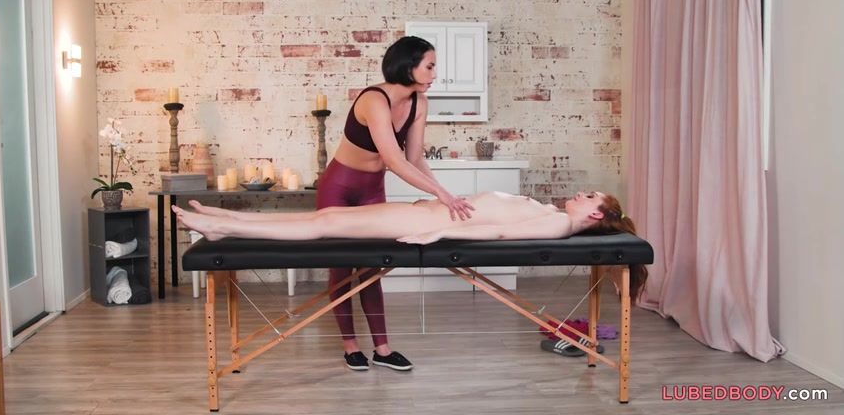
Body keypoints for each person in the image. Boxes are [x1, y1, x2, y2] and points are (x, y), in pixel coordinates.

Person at [173, 190, 648, 306]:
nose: (582, 193)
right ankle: (225, 223)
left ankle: (222, 225)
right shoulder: (553, 212)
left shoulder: (559, 224)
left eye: (591, 196)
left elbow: (498, 235)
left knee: (325, 224)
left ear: (595, 215)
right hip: (421, 211)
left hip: (422, 222)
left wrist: (439, 235)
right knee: (326, 217)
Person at [310, 36, 474, 371]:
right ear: (408, 65)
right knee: (341, 268)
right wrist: (443, 195)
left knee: (372, 268)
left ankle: (382, 349)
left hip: (372, 189)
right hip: (339, 187)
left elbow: (414, 158)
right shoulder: (374, 99)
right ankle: (350, 346)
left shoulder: (419, 103)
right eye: (429, 66)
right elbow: (395, 161)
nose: (434, 74)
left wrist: (442, 194)